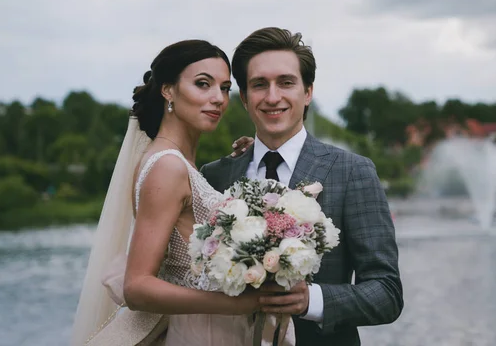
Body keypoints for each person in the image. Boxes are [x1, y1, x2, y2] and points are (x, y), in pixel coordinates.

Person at [201, 27, 404, 346]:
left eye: (286, 82)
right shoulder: (214, 175)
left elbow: (387, 293)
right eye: (259, 85)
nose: (272, 97)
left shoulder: (353, 172)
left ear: (307, 91)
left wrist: (313, 301)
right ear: (244, 97)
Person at [70, 40, 263, 346]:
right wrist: (239, 304)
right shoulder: (168, 167)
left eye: (225, 88)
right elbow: (137, 287)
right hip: (202, 334)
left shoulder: (177, 162)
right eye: (203, 84)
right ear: (168, 90)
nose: (218, 98)